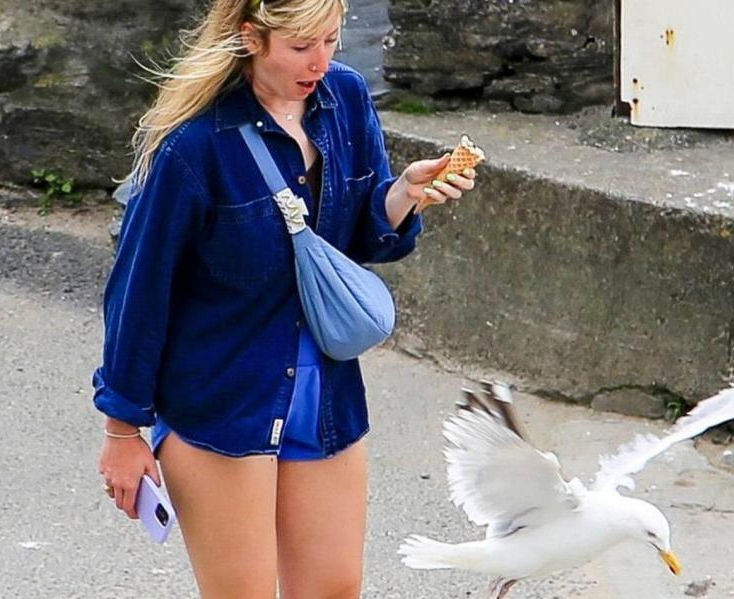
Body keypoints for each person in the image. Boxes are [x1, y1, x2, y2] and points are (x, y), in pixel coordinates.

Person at [93, 0, 477, 597]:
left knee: (333, 590)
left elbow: (359, 240)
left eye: (330, 40)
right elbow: (138, 295)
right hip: (222, 401)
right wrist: (122, 431)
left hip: (324, 395)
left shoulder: (345, 99)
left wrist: (403, 193)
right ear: (251, 38)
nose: (319, 61)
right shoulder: (193, 146)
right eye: (300, 47)